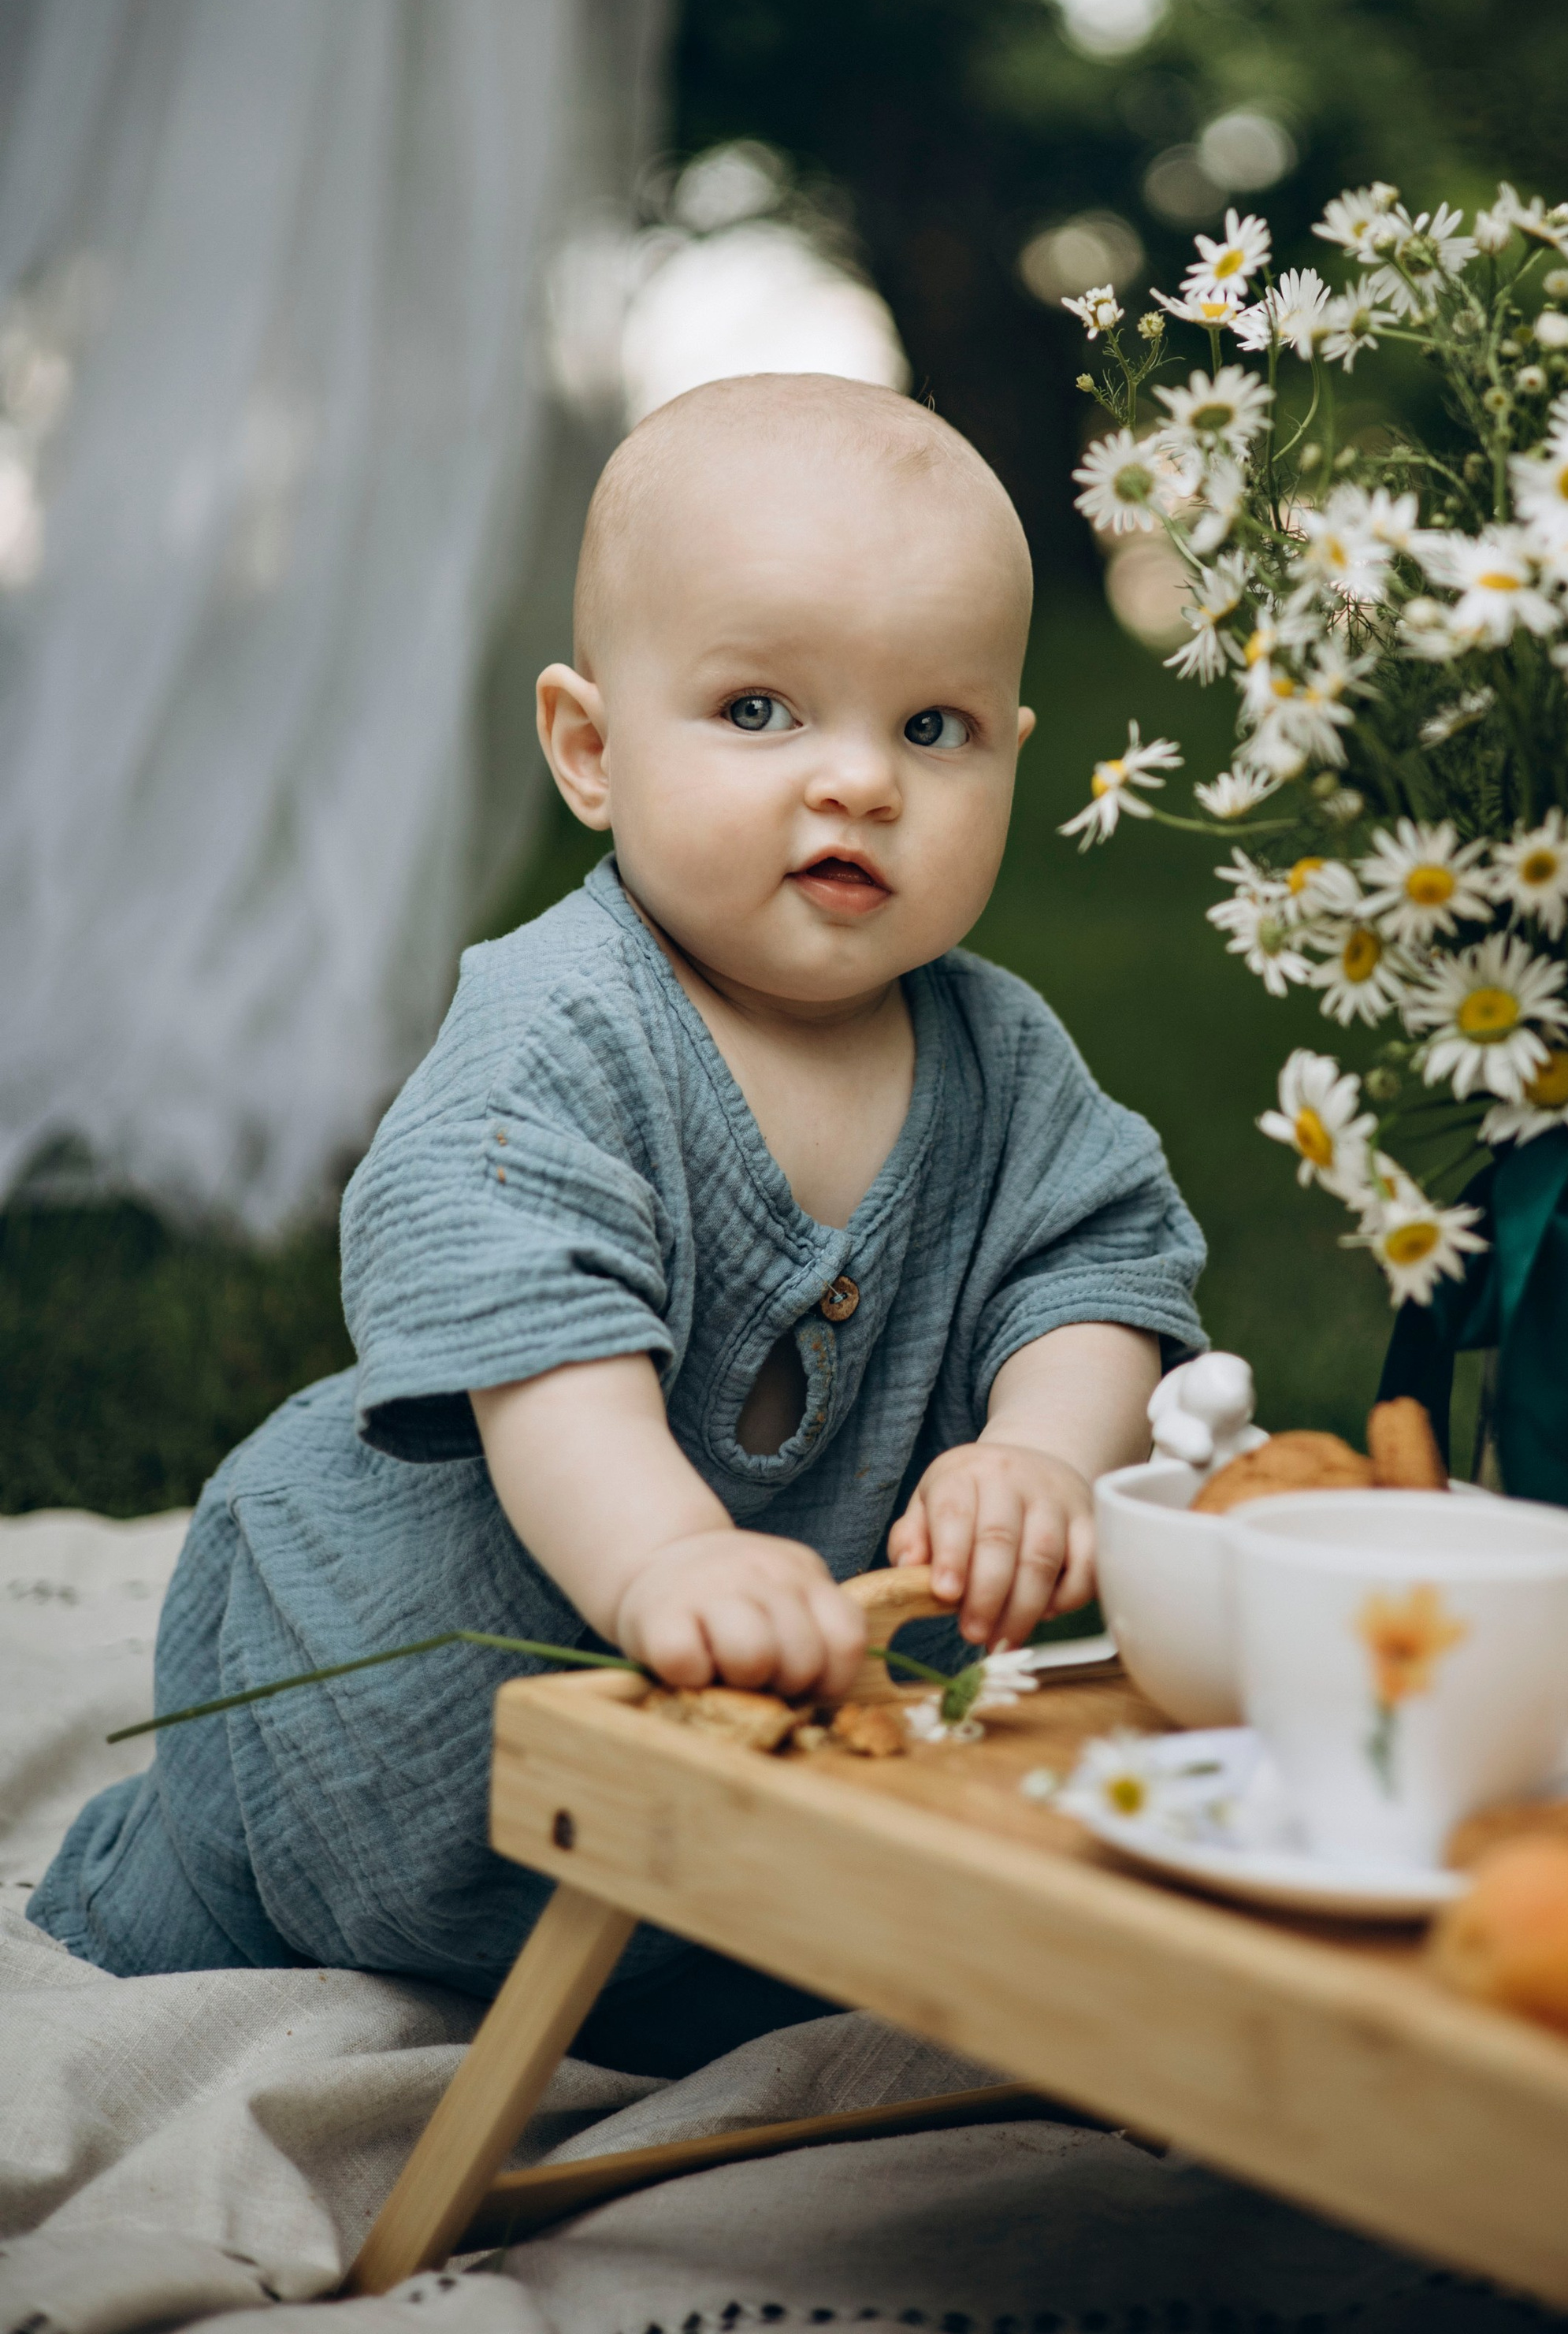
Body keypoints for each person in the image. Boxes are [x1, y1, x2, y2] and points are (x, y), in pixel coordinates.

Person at [31, 376, 1205, 2072]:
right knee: (229, 1895)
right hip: (384, 1688)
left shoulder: (1002, 1056)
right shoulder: (560, 1021)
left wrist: (1040, 1447)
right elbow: (535, 1338)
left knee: (757, 1971)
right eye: (757, 710)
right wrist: (665, 1559)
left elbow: (1095, 1263)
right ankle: (160, 1902)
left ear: (1011, 757)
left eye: (932, 730)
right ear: (590, 748)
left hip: (749, 1743)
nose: (859, 781)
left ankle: (689, 1986)